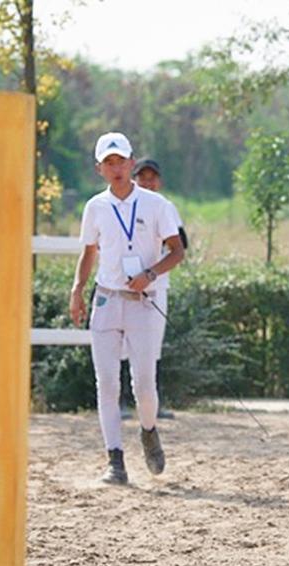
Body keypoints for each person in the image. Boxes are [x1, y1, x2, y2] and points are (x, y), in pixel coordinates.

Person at [69, 132, 185, 485]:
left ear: (131, 163)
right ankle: (114, 459)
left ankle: (148, 430)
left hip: (144, 302)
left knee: (144, 383)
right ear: (99, 169)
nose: (116, 168)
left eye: (121, 161)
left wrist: (151, 273)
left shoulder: (156, 204)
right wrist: (77, 289)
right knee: (106, 382)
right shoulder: (95, 207)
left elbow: (177, 251)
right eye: (109, 163)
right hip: (107, 298)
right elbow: (89, 251)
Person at [132, 157, 187, 366]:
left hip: (155, 287)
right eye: (142, 178)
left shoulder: (166, 207)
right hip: (123, 286)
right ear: (134, 179)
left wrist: (152, 273)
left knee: (150, 351)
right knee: (121, 351)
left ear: (159, 182)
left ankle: (146, 397)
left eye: (152, 178)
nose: (147, 182)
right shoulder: (123, 205)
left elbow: (180, 246)